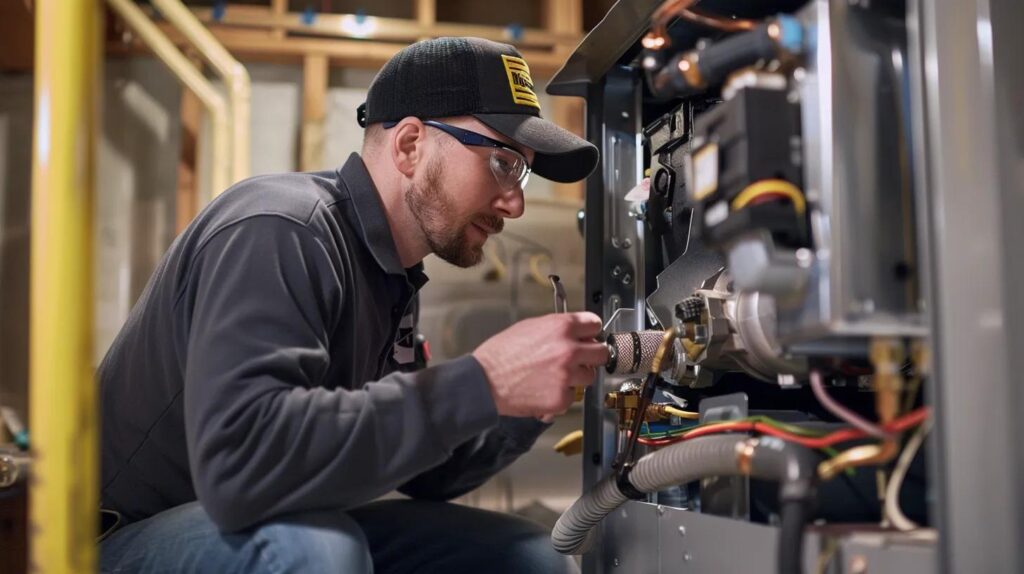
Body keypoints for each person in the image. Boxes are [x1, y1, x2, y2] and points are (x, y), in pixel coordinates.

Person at [98, 37, 605, 573]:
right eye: (503, 163)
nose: (516, 203)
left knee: (528, 559)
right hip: (117, 541)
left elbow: (430, 475)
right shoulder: (282, 229)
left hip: (266, 520)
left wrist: (520, 404)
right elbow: (242, 464)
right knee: (315, 549)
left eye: (522, 173)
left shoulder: (389, 276)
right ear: (410, 145)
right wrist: (485, 380)